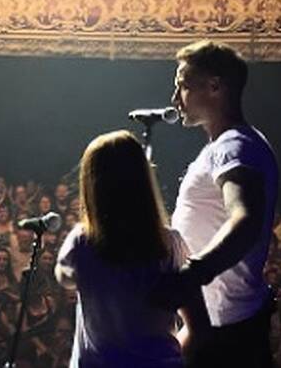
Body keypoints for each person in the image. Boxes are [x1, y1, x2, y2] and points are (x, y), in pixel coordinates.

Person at [167, 40, 279, 367]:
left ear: (215, 86)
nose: (175, 99)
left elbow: (245, 218)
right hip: (223, 324)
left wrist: (195, 272)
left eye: (184, 86)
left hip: (225, 332)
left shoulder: (234, 147)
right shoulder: (229, 145)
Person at [56, 130, 210, 366]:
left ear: (91, 186)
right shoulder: (170, 244)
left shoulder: (81, 243)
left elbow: (65, 277)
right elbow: (198, 326)